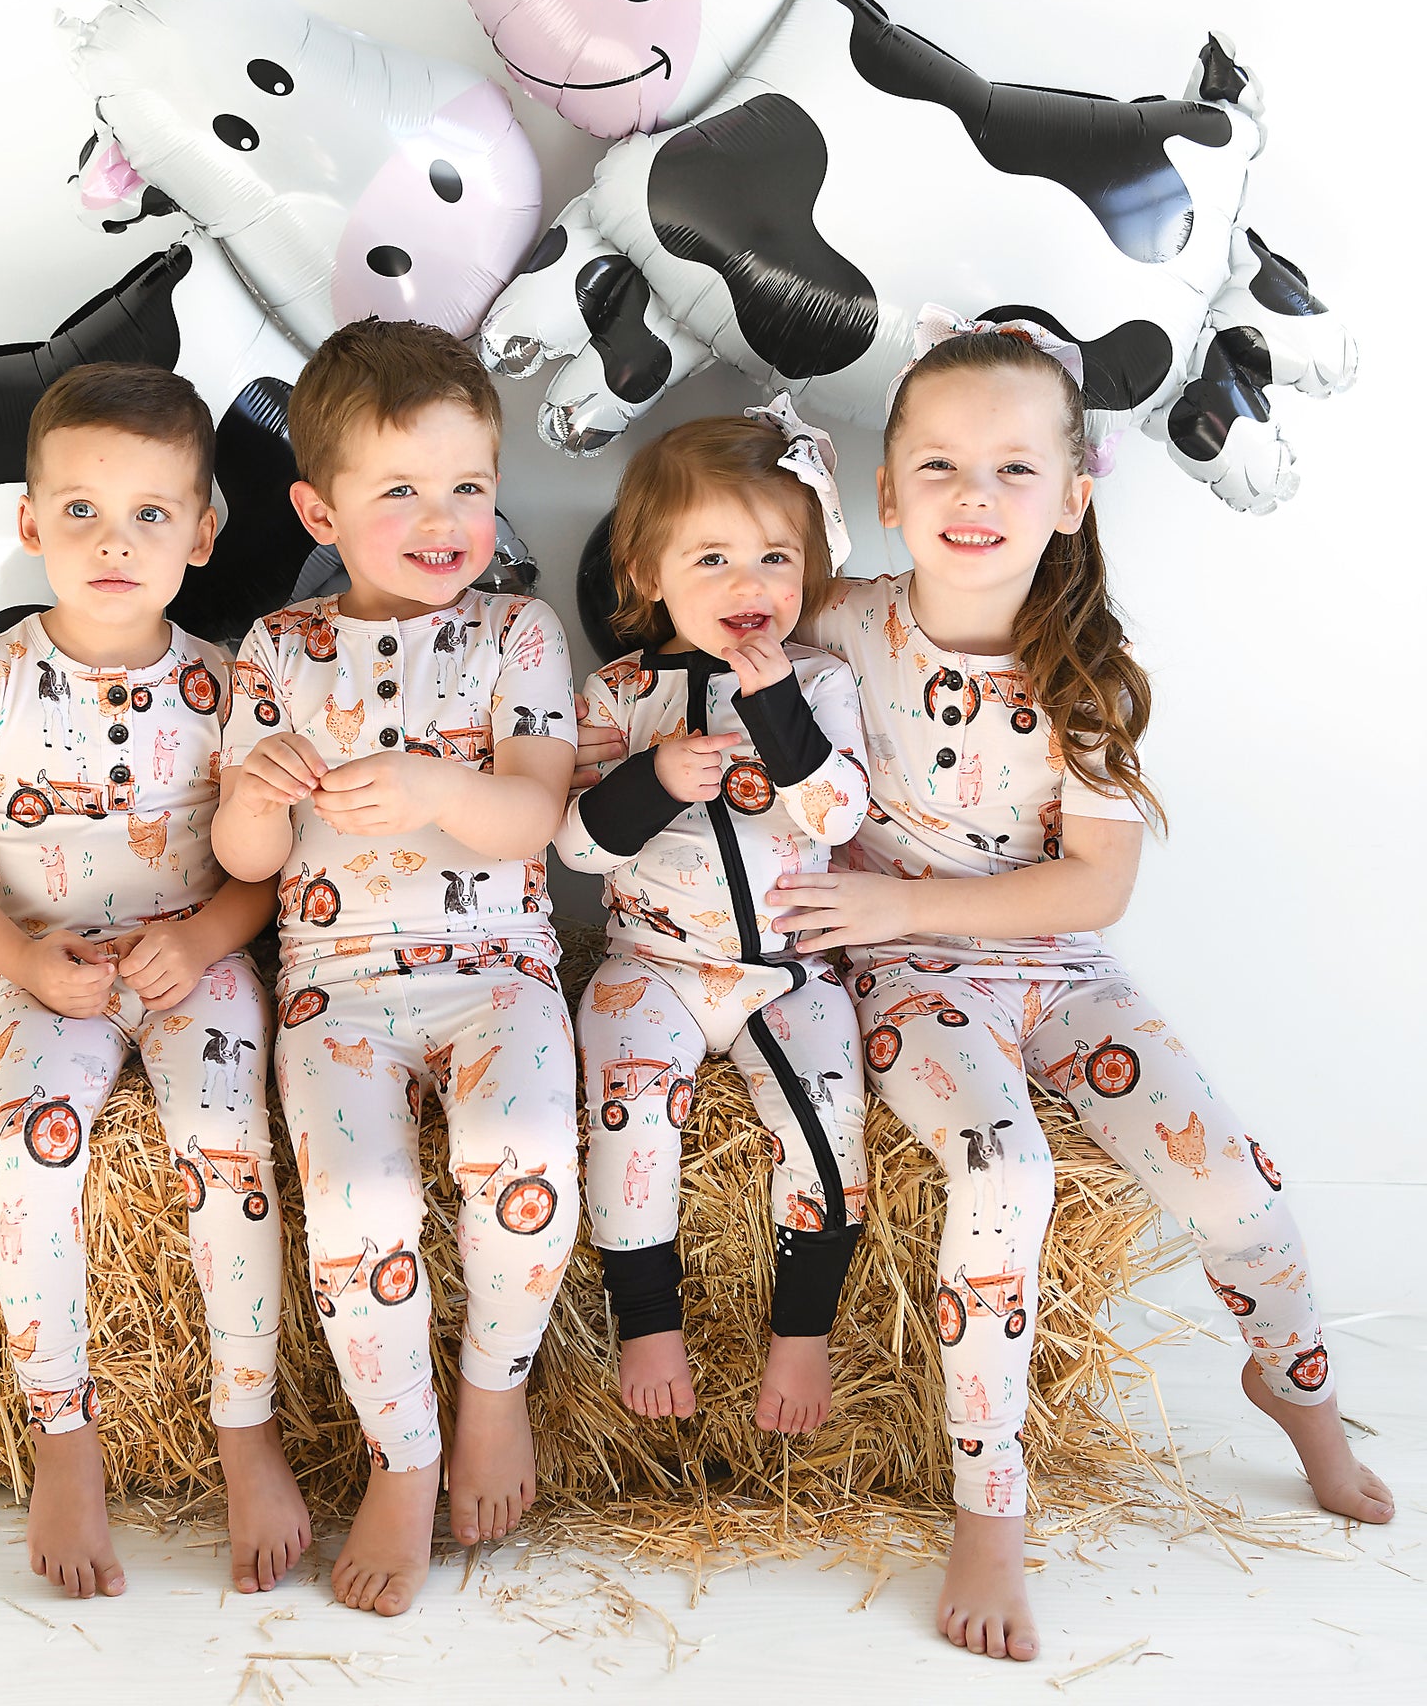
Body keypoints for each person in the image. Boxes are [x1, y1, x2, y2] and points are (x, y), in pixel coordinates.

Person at [763, 314, 1394, 1659]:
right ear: (887, 495)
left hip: (1056, 968)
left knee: (1239, 1187)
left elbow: (1092, 890)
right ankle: (989, 1509)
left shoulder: (1087, 675)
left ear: (1071, 498)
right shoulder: (842, 622)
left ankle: (1299, 1396)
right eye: (938, 466)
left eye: (1013, 469)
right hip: (913, 984)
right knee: (1007, 1178)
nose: (973, 496)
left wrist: (902, 898)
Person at [0, 363, 306, 1602]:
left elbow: (264, 872)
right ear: (32, 525)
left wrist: (208, 938)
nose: (114, 542)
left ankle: (247, 1428)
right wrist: (26, 961)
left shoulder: (229, 685)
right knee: (33, 1156)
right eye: (81, 510)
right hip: (50, 971)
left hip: (194, 961)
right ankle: (62, 1437)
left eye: (149, 514)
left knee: (225, 1151)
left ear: (202, 534)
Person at [212, 318, 580, 1617]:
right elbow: (246, 861)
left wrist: (435, 786)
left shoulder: (517, 634)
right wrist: (257, 794)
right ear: (320, 510)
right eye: (403, 490)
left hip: (498, 968)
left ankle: (494, 1393)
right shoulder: (278, 649)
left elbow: (534, 816)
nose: (443, 519)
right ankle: (402, 1452)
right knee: (359, 1212)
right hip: (338, 984)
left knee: (524, 1161)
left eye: (468, 486)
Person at [554, 408, 870, 1435]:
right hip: (652, 965)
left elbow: (838, 813)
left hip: (787, 967)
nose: (750, 584)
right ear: (648, 572)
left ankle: (803, 1329)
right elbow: (577, 847)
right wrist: (651, 780)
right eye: (714, 558)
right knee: (630, 1110)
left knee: (826, 1116)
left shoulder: (820, 682)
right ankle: (647, 1321)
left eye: (776, 557)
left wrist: (777, 712)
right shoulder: (618, 693)